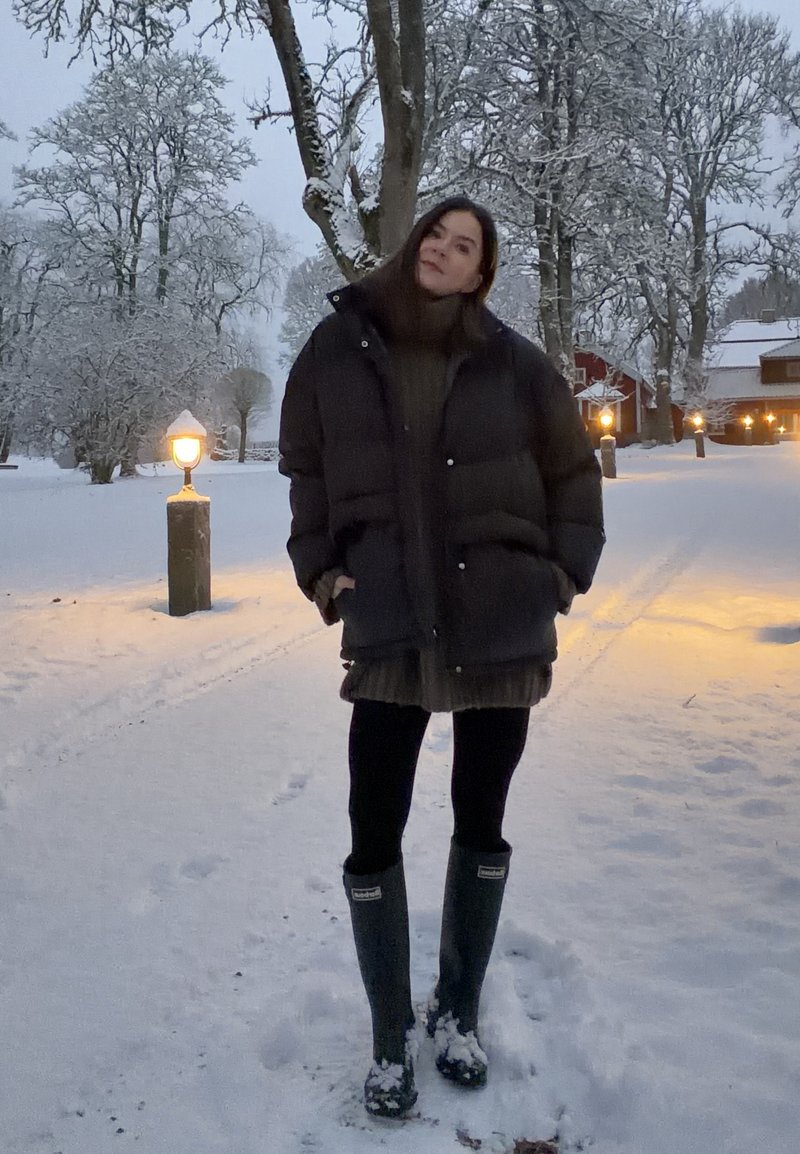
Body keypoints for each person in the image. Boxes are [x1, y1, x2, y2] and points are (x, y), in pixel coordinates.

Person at [278, 196, 604, 1118]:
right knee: (372, 818)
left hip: (498, 618)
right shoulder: (334, 349)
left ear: (481, 273)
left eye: (467, 247)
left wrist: (559, 574)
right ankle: (389, 1036)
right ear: (413, 244)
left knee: (482, 815)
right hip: (387, 614)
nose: (445, 251)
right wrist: (322, 570)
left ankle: (456, 1010)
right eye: (436, 235)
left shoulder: (516, 363)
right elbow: (304, 470)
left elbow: (573, 471)